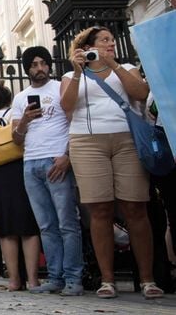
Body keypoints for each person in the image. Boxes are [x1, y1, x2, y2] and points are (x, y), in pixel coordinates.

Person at [59, 27, 163, 299]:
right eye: (104, 41)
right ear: (87, 46)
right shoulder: (71, 75)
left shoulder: (126, 67)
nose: (110, 44)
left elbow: (140, 93)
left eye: (113, 41)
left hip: (126, 141)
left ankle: (148, 280)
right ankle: (107, 280)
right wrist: (80, 72)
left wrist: (113, 64)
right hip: (86, 142)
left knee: (135, 207)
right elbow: (66, 106)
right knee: (100, 211)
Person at [12, 46, 84, 296]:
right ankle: (55, 277)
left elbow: (75, 122)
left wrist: (67, 156)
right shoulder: (20, 98)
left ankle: (74, 278)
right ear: (27, 69)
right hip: (30, 164)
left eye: (43, 63)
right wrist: (24, 121)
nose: (39, 68)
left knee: (67, 222)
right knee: (46, 225)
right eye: (34, 64)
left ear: (49, 66)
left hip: (56, 160)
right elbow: (16, 139)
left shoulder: (59, 87)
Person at [0, 81, 41, 291]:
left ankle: (13, 280)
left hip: (0, 173)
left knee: (7, 229)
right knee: (29, 226)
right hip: (22, 167)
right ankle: (34, 279)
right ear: (10, 98)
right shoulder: (17, 114)